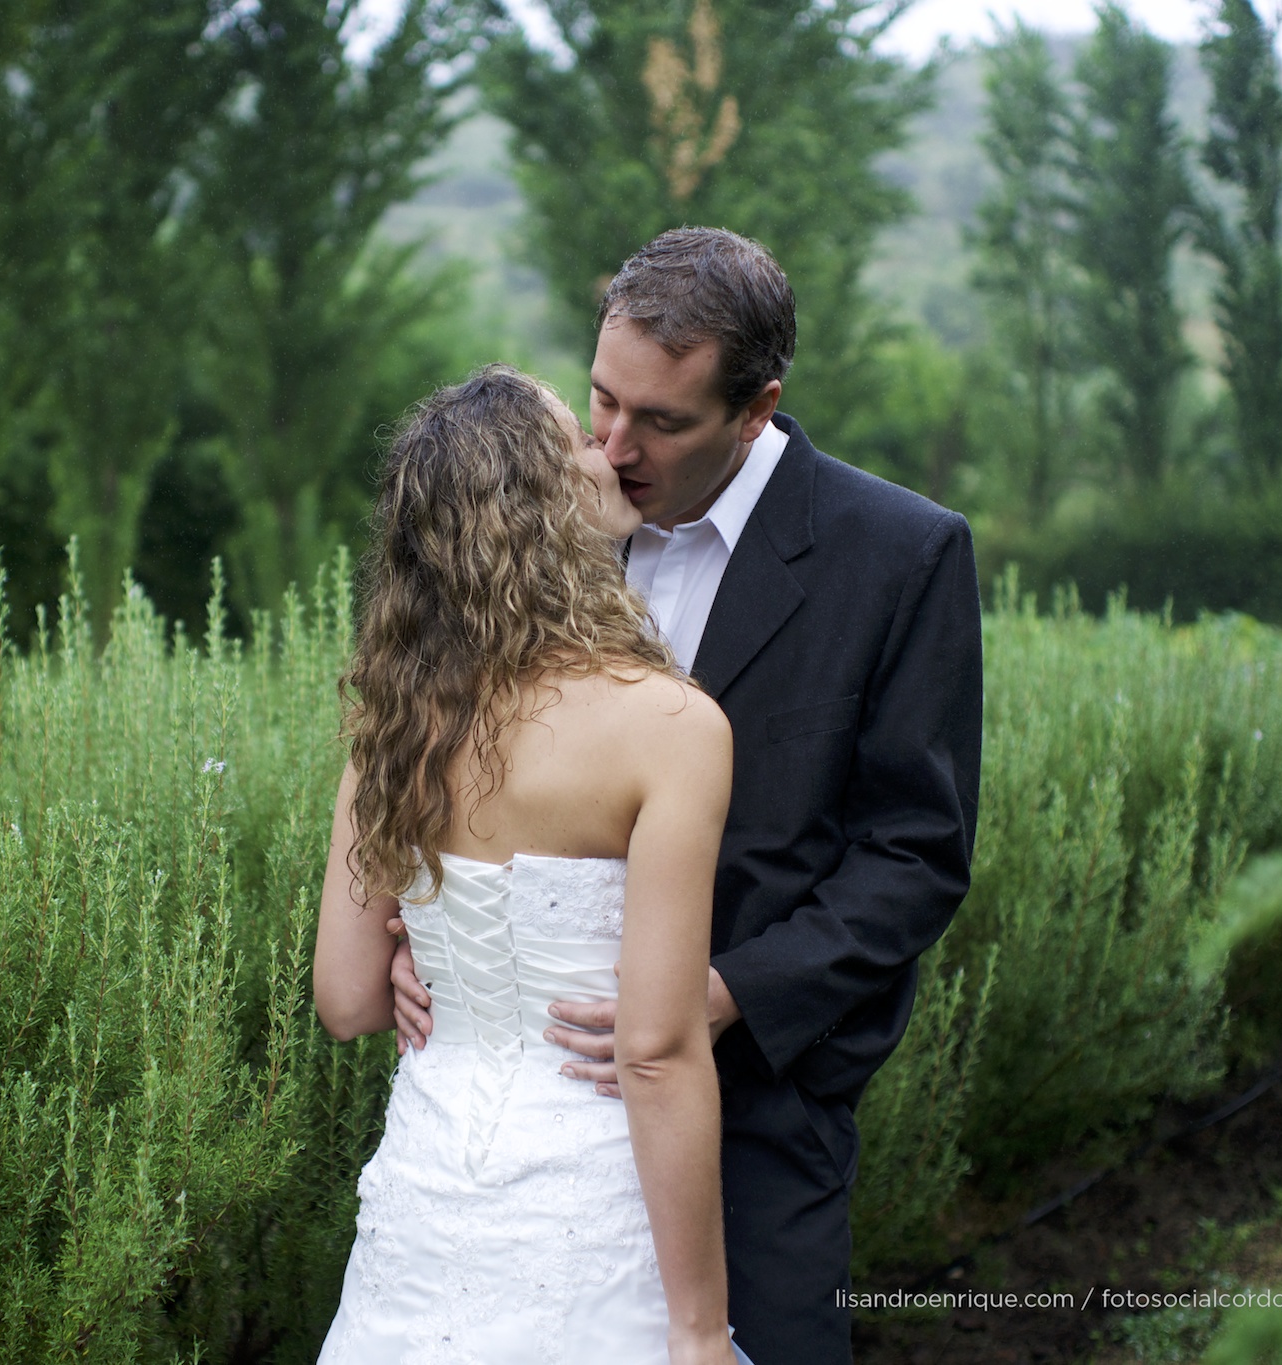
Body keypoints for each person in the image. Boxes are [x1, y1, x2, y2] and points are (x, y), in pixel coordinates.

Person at [388, 228, 985, 1363]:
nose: (612, 447)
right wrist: (436, 931)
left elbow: (914, 855)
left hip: (757, 1105)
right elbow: (450, 755)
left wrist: (720, 995)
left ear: (755, 409)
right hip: (531, 1139)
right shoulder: (547, 523)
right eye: (601, 401)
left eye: (659, 422)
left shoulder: (898, 556)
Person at [312, 364, 746, 1365]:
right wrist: (695, 1329)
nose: (610, 456)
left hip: (421, 1210)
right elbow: (653, 1051)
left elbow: (344, 999)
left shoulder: (391, 723)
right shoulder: (668, 726)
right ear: (544, 505)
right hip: (591, 1214)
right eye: (580, 444)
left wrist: (426, 961)